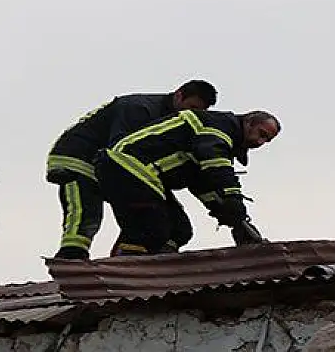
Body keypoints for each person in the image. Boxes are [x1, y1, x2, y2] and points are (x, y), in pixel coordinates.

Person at [46, 80, 218, 260]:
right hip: (79, 158)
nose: (190, 114)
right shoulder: (139, 108)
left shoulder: (171, 121)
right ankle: (71, 259)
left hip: (117, 166)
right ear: (178, 95)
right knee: (85, 213)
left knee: (176, 226)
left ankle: (136, 257)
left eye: (197, 111)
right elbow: (120, 150)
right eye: (190, 107)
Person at [96, 108, 281, 256]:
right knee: (151, 227)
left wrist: (231, 215)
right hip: (125, 165)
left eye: (267, 140)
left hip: (144, 175)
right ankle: (125, 269)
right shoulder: (220, 127)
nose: (260, 142)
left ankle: (156, 264)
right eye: (261, 134)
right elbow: (214, 161)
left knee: (180, 230)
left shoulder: (216, 141)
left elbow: (202, 182)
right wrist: (233, 197)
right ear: (248, 122)